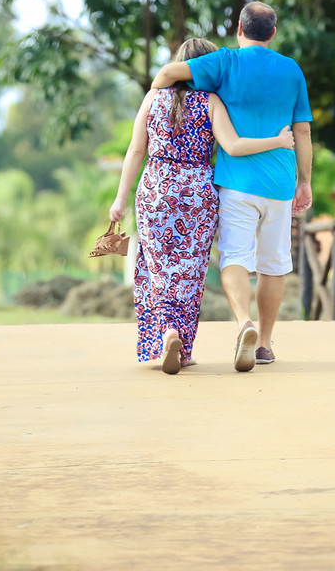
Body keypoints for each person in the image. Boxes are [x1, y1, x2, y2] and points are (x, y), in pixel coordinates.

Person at [110, 38, 294, 375]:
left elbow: (136, 150)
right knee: (190, 272)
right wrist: (279, 141)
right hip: (197, 194)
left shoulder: (153, 97)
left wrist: (120, 198)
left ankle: (167, 332)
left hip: (156, 190)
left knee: (157, 267)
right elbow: (234, 146)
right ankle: (183, 348)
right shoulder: (210, 102)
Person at [150, 1, 312, 372]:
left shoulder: (224, 62)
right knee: (273, 264)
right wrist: (304, 182)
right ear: (273, 33)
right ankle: (265, 343)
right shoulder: (292, 70)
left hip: (237, 183)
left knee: (235, 258)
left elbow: (168, 73)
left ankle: (244, 323)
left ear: (239, 29)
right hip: (280, 183)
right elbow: (302, 131)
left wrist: (158, 99)